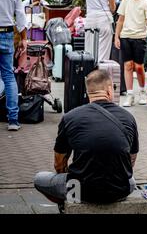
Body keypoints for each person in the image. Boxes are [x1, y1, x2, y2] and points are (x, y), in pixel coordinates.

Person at [34, 70, 139, 208]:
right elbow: (131, 159)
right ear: (108, 90)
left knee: (39, 178)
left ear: (88, 91)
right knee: (132, 181)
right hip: (119, 190)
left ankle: (67, 205)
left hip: (82, 191)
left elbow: (59, 162)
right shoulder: (128, 118)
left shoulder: (70, 117)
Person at [114, 0, 147, 107]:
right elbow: (120, 20)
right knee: (127, 66)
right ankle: (129, 94)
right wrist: (116, 37)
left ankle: (143, 91)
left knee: (139, 67)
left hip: (140, 38)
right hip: (125, 36)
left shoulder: (146, 3)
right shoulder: (125, 1)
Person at [0, 0, 27, 131]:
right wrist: (24, 38)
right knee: (9, 76)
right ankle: (13, 121)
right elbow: (20, 14)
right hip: (6, 33)